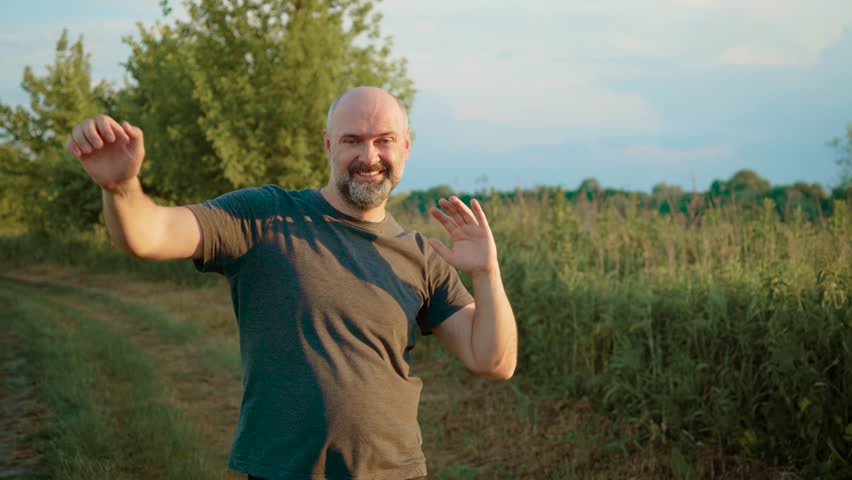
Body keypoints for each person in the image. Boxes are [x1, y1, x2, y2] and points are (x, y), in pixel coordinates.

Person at [66, 86, 518, 480]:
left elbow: (493, 360)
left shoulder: (421, 255)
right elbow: (151, 235)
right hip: (284, 472)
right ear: (327, 144)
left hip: (396, 472)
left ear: (405, 148)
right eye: (352, 141)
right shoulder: (263, 216)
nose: (369, 156)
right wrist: (122, 189)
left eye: (384, 141)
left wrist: (485, 272)